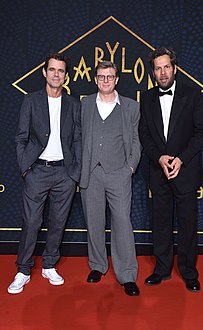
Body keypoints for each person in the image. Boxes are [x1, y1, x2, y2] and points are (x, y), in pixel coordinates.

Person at [8, 53, 81, 294]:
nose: (56, 74)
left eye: (61, 71)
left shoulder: (73, 104)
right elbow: (21, 137)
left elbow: (78, 139)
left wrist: (75, 172)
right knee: (31, 222)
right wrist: (25, 168)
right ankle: (23, 269)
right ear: (44, 73)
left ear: (66, 76)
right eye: (52, 70)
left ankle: (50, 264)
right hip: (37, 171)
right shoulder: (31, 101)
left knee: (58, 222)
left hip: (64, 173)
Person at [139, 47, 203, 292]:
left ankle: (189, 272)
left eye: (166, 67)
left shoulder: (192, 94)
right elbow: (144, 134)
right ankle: (162, 269)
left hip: (186, 171)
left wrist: (180, 159)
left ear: (174, 68)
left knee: (187, 224)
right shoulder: (147, 98)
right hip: (159, 172)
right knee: (160, 223)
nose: (162, 72)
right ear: (153, 72)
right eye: (157, 68)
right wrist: (159, 157)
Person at [80, 61, 141, 296]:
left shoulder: (130, 107)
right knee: (94, 222)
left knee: (122, 224)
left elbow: (136, 140)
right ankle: (97, 266)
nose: (105, 80)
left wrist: (130, 167)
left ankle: (127, 274)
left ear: (116, 79)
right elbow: (76, 136)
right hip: (91, 173)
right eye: (101, 76)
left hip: (119, 173)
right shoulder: (84, 104)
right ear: (95, 79)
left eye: (110, 76)